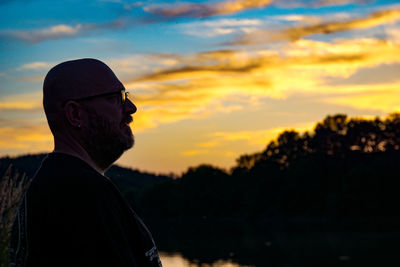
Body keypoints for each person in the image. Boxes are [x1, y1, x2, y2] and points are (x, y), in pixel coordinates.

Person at [10, 58, 163, 267]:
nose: (131, 107)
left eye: (125, 96)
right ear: (75, 114)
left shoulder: (59, 185)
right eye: (115, 98)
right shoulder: (81, 194)